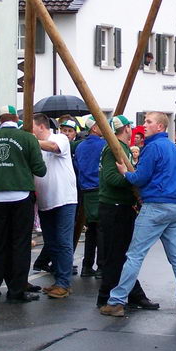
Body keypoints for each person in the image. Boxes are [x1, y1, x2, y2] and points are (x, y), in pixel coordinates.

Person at [100, 112, 176, 318]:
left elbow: (140, 178)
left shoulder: (152, 147)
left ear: (160, 127)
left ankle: (116, 301)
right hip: (175, 206)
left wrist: (125, 172)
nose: (144, 125)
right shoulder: (174, 148)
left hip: (155, 206)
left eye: (148, 122)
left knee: (134, 255)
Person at [0, 105, 46, 303]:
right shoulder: (28, 138)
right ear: (16, 118)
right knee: (20, 246)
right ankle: (16, 291)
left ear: (0, 119)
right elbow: (40, 170)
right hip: (22, 197)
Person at [96, 115, 159, 310]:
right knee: (115, 255)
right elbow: (111, 179)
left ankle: (132, 293)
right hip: (114, 207)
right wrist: (133, 178)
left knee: (122, 254)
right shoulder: (112, 150)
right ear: (126, 128)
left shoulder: (122, 149)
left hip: (122, 207)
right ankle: (106, 296)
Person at [33, 113, 78, 299]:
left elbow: (54, 147)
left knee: (63, 242)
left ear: (42, 127)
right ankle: (58, 279)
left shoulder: (59, 137)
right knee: (52, 244)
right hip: (45, 202)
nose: (31, 133)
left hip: (64, 200)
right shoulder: (37, 145)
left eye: (32, 129)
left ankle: (64, 283)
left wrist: (30, 142)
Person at [74, 118, 106, 278]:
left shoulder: (80, 147)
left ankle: (87, 265)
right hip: (99, 189)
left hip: (86, 190)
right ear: (94, 128)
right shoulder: (103, 145)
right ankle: (101, 267)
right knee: (101, 229)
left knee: (91, 229)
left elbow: (77, 166)